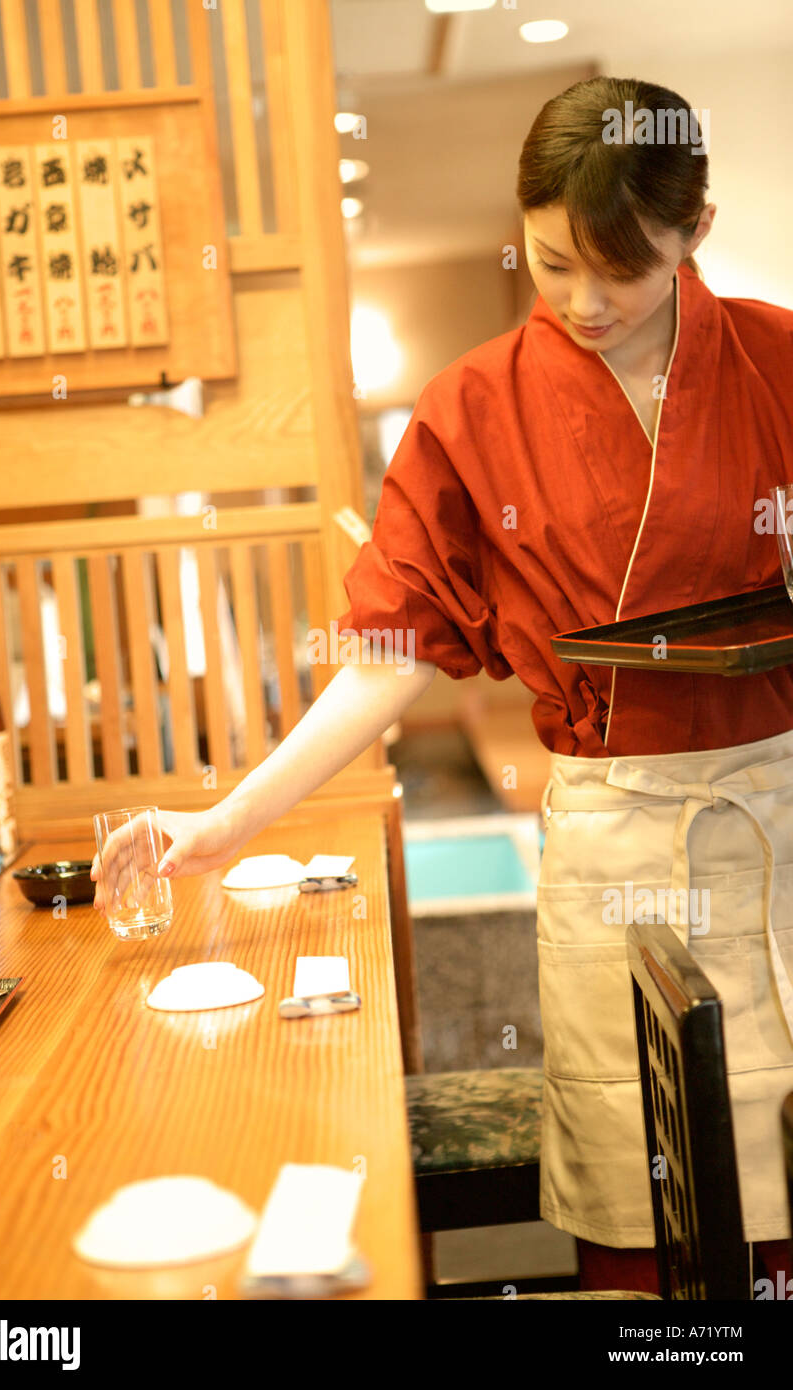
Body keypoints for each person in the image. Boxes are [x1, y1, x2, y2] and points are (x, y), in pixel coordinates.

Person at [92, 76, 793, 1295]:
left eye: (616, 270)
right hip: (616, 843)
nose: (579, 302)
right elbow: (389, 649)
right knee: (646, 1199)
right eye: (550, 261)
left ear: (698, 232)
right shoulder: (473, 410)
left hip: (783, 827)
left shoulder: (781, 361)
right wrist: (223, 821)